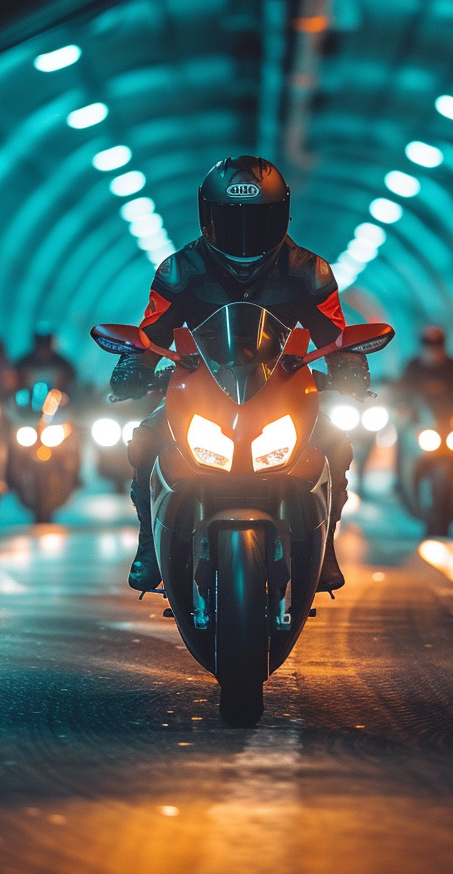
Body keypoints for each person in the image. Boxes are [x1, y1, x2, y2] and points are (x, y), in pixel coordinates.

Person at [110, 155, 372, 593]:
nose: (244, 234)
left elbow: (336, 334)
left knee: (336, 446)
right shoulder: (179, 271)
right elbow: (150, 331)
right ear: (207, 216)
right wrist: (133, 365)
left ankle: (325, 547)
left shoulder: (311, 272)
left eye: (258, 220)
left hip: (282, 391)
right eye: (232, 220)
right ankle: (148, 546)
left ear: (281, 216)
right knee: (146, 441)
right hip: (199, 391)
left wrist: (351, 368)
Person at [396, 326, 453, 423]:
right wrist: (403, 406)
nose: (433, 348)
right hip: (422, 423)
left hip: (452, 421)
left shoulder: (452, 366)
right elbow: (402, 391)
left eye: (437, 343)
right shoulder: (413, 367)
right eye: (428, 343)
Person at [15, 330, 78, 397]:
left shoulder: (64, 365)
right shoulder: (23, 364)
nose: (43, 352)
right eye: (41, 347)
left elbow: (72, 380)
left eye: (46, 346)